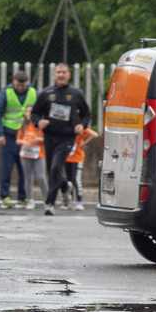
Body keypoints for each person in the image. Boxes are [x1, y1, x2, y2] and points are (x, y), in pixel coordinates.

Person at [31, 63, 91, 216]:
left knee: (56, 167)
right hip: (50, 136)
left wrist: (81, 126)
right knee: (52, 169)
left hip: (68, 137)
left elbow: (86, 114)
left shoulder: (76, 93)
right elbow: (34, 113)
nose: (61, 75)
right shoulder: (46, 93)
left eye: (64, 72)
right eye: (58, 72)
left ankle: (49, 203)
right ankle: (65, 186)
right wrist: (39, 122)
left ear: (69, 74)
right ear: (54, 74)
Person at [0, 71, 37, 209]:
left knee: (24, 168)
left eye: (23, 85)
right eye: (18, 84)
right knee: (7, 167)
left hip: (26, 137)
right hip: (9, 135)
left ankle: (22, 197)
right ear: (13, 81)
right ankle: (5, 196)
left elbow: (39, 112)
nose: (21, 87)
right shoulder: (5, 92)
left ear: (27, 82)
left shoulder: (33, 93)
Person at [17, 106, 48, 210]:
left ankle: (47, 200)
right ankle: (30, 200)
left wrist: (37, 140)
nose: (29, 113)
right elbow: (18, 140)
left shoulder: (40, 125)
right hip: (26, 154)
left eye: (31, 112)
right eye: (27, 111)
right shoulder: (23, 125)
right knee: (28, 178)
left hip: (39, 154)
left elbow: (46, 139)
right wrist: (24, 142)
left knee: (41, 177)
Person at [64, 126, 98, 211]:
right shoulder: (67, 127)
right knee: (68, 181)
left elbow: (95, 134)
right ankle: (70, 202)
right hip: (67, 157)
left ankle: (79, 202)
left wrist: (85, 142)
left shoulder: (81, 128)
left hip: (78, 158)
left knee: (76, 179)